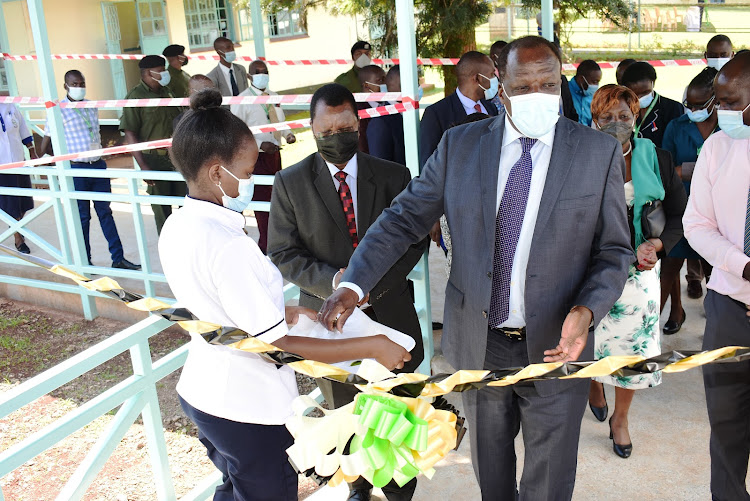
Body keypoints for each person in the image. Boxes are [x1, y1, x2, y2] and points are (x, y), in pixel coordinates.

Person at [319, 36, 634, 500]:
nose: (537, 96)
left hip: (557, 346)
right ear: (498, 89)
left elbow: (614, 250)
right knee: (492, 472)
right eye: (522, 86)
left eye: (548, 84)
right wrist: (353, 282)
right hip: (480, 342)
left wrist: (586, 311)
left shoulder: (595, 152)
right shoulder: (460, 145)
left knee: (549, 480)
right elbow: (404, 217)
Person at [160, 88, 410, 501]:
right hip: (245, 405)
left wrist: (287, 309)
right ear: (218, 172)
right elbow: (273, 344)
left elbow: (218, 306)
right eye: (248, 167)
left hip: (203, 392)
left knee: (235, 489)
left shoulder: (180, 223)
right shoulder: (227, 243)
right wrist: (374, 344)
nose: (252, 178)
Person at [267, 83, 428, 501]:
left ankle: (400, 487)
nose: (336, 136)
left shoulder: (393, 175)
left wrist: (368, 287)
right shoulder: (290, 182)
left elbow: (415, 241)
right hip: (328, 324)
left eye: (345, 127)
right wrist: (336, 285)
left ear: (357, 124)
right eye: (327, 129)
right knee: (345, 409)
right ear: (312, 128)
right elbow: (282, 253)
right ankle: (356, 485)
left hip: (390, 310)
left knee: (399, 406)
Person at [586, 84, 686, 458]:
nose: (616, 124)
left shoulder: (656, 158)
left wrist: (657, 245)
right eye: (606, 117)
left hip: (639, 271)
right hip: (588, 267)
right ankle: (593, 385)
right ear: (593, 120)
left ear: (636, 118)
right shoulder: (578, 158)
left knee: (631, 348)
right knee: (587, 341)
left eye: (623, 117)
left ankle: (621, 419)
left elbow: (678, 214)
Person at [682, 51, 750, 501]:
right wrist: (742, 265)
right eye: (716, 102)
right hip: (729, 309)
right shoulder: (717, 148)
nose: (718, 111)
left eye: (729, 101)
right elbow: (696, 225)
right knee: (726, 431)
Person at [39, 70, 140, 270]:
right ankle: (85, 261)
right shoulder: (58, 109)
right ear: (65, 86)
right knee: (82, 217)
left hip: (97, 166)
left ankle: (118, 258)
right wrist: (53, 160)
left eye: (82, 83)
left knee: (105, 213)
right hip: (76, 170)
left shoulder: (91, 105)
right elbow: (46, 143)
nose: (79, 87)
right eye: (74, 84)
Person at [660, 67, 718, 334]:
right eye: (688, 104)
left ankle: (719, 324)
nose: (692, 110)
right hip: (682, 207)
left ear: (714, 101)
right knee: (668, 267)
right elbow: (663, 166)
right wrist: (684, 171)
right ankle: (671, 314)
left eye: (698, 105)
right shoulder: (677, 126)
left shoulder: (731, 127)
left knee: (716, 273)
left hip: (717, 213)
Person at [230, 59, 296, 254]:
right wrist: (260, 145)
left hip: (275, 156)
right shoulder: (242, 100)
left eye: (264, 71)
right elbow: (237, 133)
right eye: (257, 72)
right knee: (262, 204)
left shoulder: (273, 96)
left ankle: (278, 242)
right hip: (255, 159)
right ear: (250, 76)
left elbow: (279, 122)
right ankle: (266, 246)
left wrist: (287, 134)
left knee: (278, 201)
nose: (262, 75)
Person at [119, 55, 185, 234]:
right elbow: (130, 133)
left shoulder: (168, 91)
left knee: (186, 207)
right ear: (149, 73)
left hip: (177, 158)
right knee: (162, 211)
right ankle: (168, 252)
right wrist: (144, 166)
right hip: (154, 160)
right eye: (162, 70)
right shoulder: (135, 97)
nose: (165, 73)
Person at [419, 50, 498, 168]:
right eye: (492, 74)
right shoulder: (436, 114)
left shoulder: (490, 108)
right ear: (477, 79)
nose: (496, 79)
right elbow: (428, 164)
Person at [0, 102, 37, 254]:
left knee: (23, 201)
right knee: (10, 203)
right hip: (2, 166)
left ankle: (16, 226)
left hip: (18, 161)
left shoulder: (11, 106)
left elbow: (22, 129)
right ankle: (18, 239)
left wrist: (32, 151)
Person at [621, 61, 684, 148]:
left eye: (645, 92)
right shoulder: (622, 109)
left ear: (653, 83)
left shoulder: (673, 108)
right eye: (634, 94)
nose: (640, 98)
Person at [367, 65, 406, 165]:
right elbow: (381, 168)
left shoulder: (407, 113)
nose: (417, 86)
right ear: (392, 85)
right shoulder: (380, 122)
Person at [356, 64, 386, 154]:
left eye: (385, 79)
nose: (384, 84)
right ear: (366, 85)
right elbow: (362, 145)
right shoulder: (359, 111)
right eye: (380, 80)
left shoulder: (387, 104)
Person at [568, 59, 601, 126]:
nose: (596, 85)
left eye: (598, 82)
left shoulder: (594, 97)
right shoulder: (565, 91)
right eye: (594, 82)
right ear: (581, 79)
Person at [490, 40, 508, 113]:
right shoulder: (490, 75)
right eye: (503, 55)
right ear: (494, 57)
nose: (506, 58)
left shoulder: (508, 71)